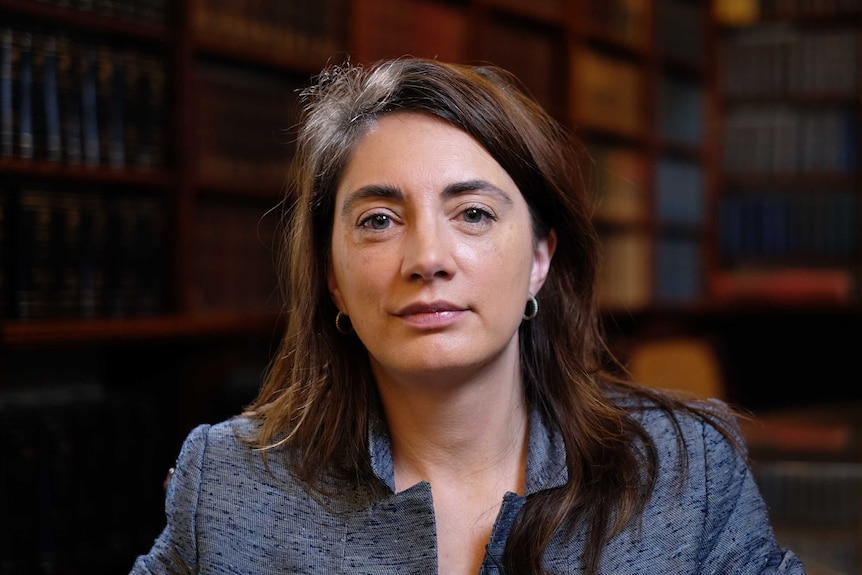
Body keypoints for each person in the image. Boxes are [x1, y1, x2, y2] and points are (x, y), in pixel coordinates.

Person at [130, 56, 805, 575]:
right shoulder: (228, 484)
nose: (428, 258)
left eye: (473, 213)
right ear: (333, 277)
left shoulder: (686, 472)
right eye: (379, 219)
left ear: (541, 257)